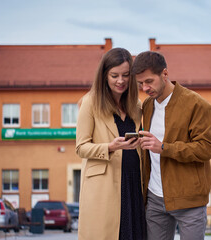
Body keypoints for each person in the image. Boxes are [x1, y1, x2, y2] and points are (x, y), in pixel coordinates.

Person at [132, 51, 211, 240]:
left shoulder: (198, 105)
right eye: (140, 84)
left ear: (165, 74)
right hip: (154, 198)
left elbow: (206, 148)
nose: (145, 88)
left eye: (149, 81)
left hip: (189, 199)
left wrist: (164, 148)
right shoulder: (147, 106)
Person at [76, 48, 145, 240]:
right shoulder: (90, 102)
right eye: (114, 75)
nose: (120, 81)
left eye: (125, 75)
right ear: (104, 75)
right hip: (104, 185)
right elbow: (81, 147)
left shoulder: (137, 105)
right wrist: (109, 147)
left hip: (133, 183)